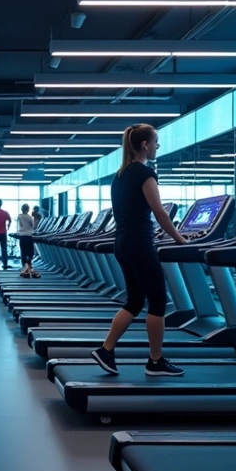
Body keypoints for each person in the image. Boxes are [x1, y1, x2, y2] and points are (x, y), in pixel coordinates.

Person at [91, 124, 186, 377]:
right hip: (138, 243)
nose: (158, 146)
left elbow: (133, 211)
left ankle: (105, 350)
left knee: (134, 301)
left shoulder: (119, 175)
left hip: (122, 242)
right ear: (145, 144)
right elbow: (159, 211)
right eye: (156, 142)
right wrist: (179, 239)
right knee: (158, 301)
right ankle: (155, 361)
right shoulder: (145, 172)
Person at [17, 203, 38, 278]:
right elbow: (33, 226)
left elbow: (20, 224)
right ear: (28, 209)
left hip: (22, 236)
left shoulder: (19, 216)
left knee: (23, 252)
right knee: (30, 253)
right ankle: (28, 265)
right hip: (29, 235)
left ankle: (25, 267)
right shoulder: (30, 217)